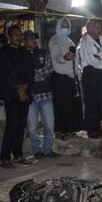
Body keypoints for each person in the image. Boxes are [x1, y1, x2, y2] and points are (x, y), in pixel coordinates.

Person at [0, 25, 34, 168]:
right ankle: (5, 157)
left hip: (24, 93)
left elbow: (31, 72)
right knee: (11, 125)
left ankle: (18, 155)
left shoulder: (25, 52)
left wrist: (25, 86)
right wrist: (19, 88)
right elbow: (4, 75)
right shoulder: (2, 53)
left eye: (20, 35)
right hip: (11, 94)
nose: (18, 37)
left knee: (21, 125)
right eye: (15, 34)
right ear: (9, 36)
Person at [23, 31, 60, 159]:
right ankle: (36, 150)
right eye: (30, 39)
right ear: (25, 41)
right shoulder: (22, 55)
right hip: (31, 96)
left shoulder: (44, 53)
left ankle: (48, 149)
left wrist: (33, 76)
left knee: (49, 125)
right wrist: (36, 75)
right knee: (32, 126)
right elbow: (23, 73)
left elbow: (50, 68)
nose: (34, 41)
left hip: (46, 94)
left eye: (35, 39)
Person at [48, 18, 83, 141]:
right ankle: (60, 130)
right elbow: (56, 57)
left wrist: (78, 75)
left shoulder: (70, 41)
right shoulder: (55, 40)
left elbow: (75, 59)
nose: (66, 28)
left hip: (72, 77)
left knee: (72, 105)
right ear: (58, 26)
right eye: (63, 26)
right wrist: (65, 57)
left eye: (68, 26)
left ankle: (70, 129)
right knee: (61, 105)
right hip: (60, 78)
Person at [78, 19, 102, 138]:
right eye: (97, 27)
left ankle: (97, 127)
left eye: (101, 27)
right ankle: (90, 129)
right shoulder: (85, 42)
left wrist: (101, 60)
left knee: (99, 102)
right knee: (91, 102)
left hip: (100, 74)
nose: (100, 29)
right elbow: (93, 61)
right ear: (90, 28)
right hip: (90, 74)